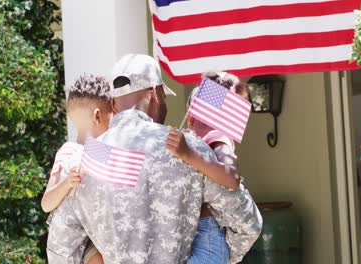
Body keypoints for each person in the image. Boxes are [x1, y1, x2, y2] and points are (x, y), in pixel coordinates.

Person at [49, 54, 262, 264]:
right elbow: (247, 223)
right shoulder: (188, 149)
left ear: (114, 105)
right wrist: (216, 257)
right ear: (155, 94)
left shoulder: (86, 159)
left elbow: (61, 247)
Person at [167, 72, 257, 264]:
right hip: (190, 232)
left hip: (208, 236)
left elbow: (232, 177)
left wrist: (188, 154)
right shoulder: (192, 140)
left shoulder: (217, 139)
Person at [43, 75, 111, 264]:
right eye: (111, 115)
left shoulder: (104, 150)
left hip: (90, 242)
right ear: (98, 116)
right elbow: (46, 204)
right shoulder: (69, 152)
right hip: (65, 252)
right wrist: (67, 182)